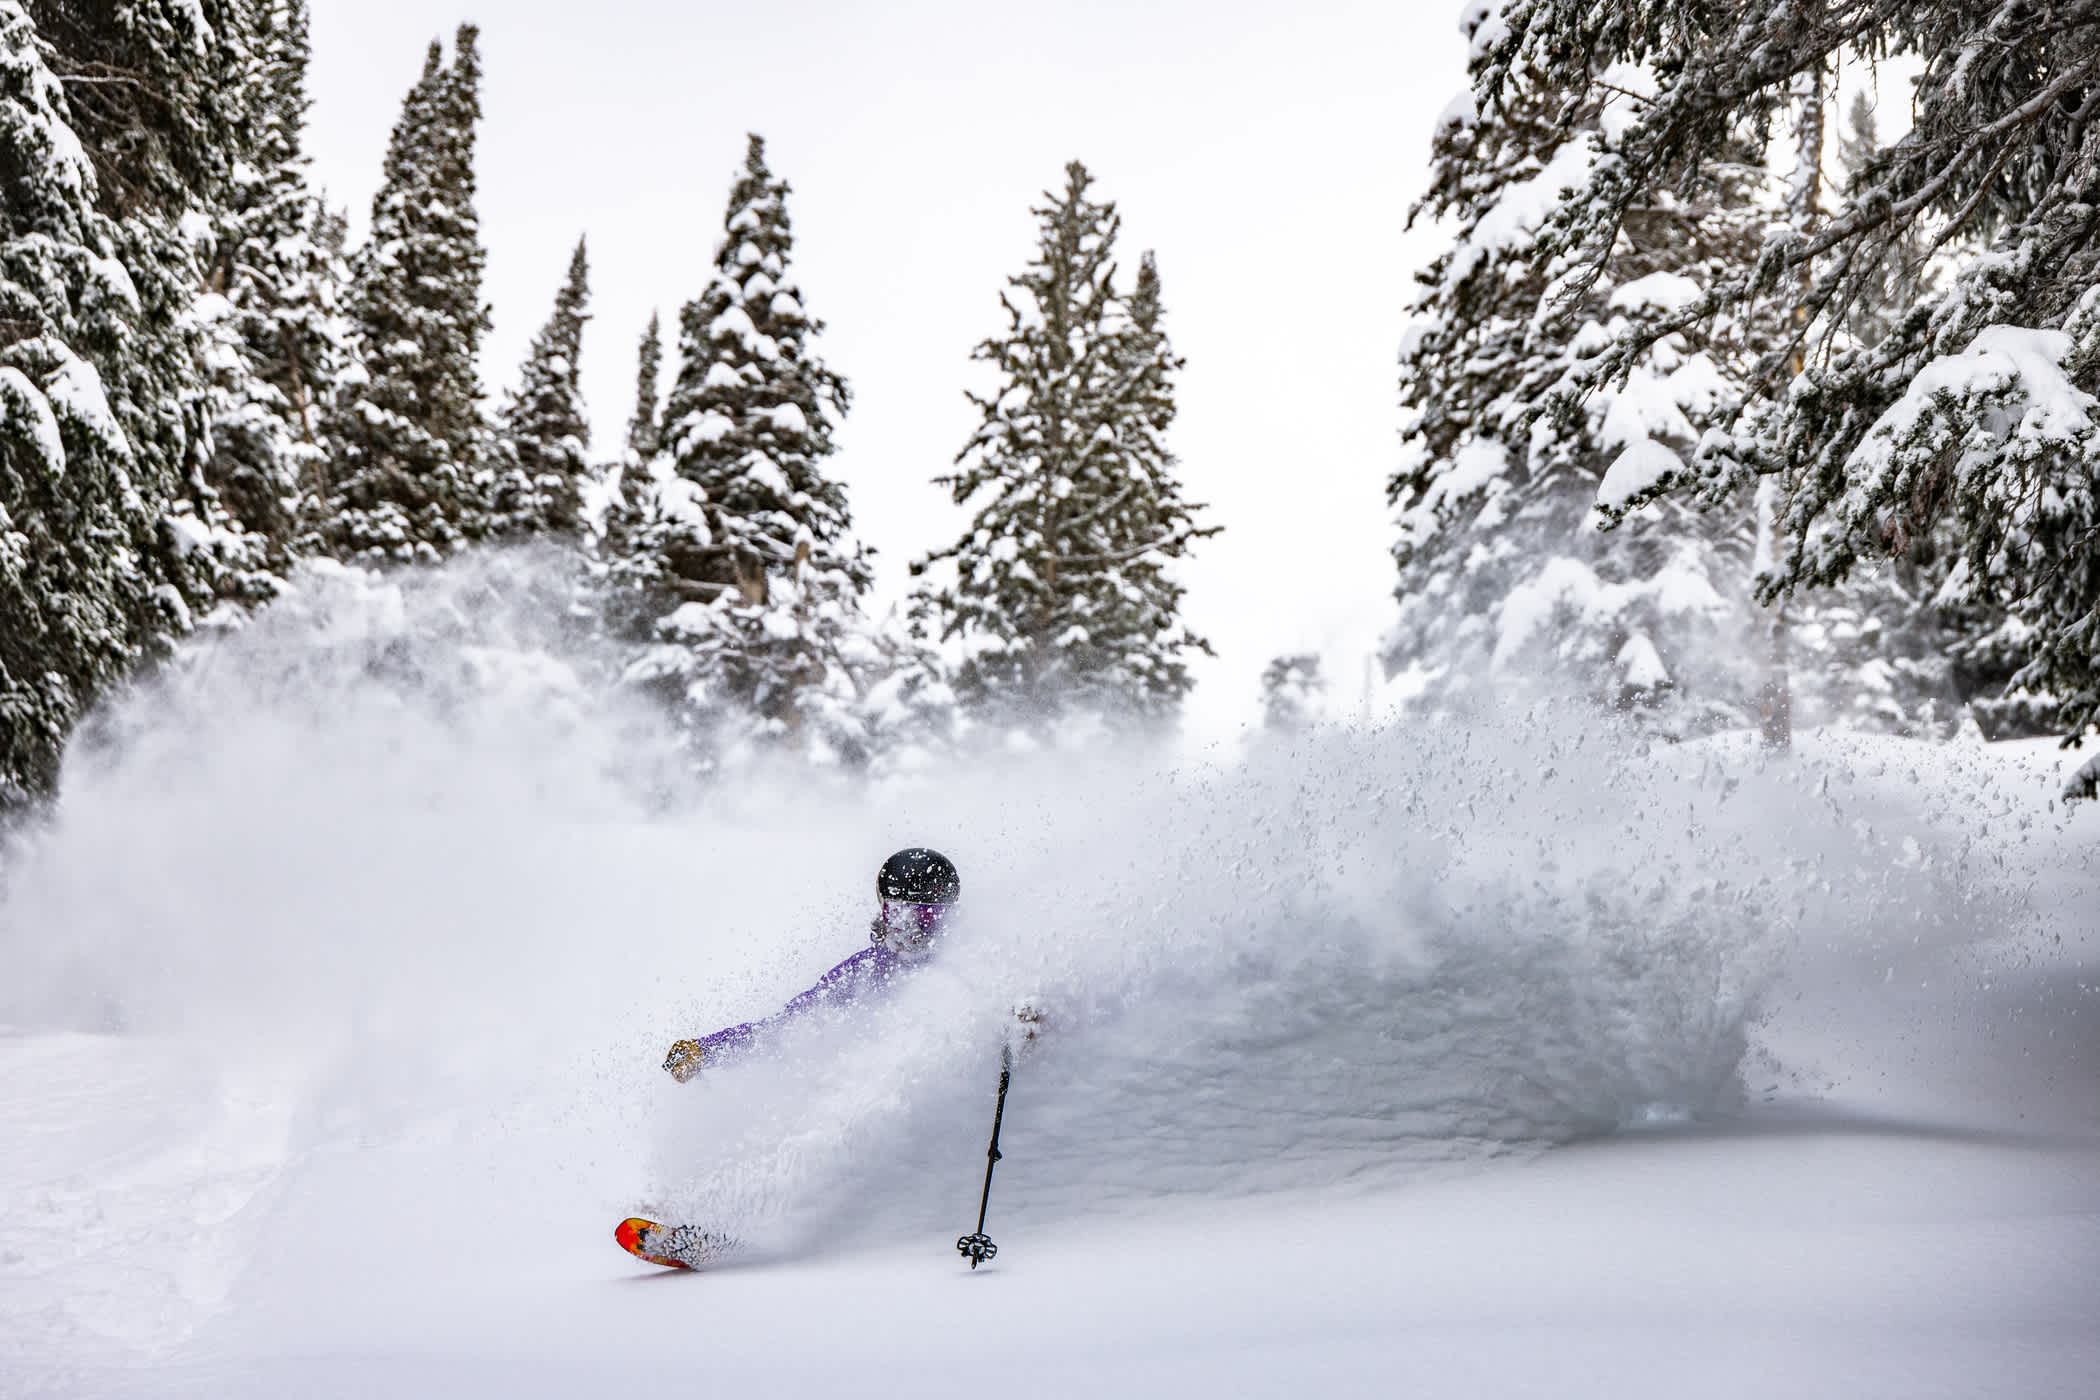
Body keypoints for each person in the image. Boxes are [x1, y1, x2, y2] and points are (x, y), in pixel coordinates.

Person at [662, 847, 994, 1082]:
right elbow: (787, 1029)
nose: (912, 926)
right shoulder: (866, 972)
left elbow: (1010, 1008)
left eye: (924, 913)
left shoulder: (978, 957)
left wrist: (1026, 1024)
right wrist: (707, 1050)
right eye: (899, 911)